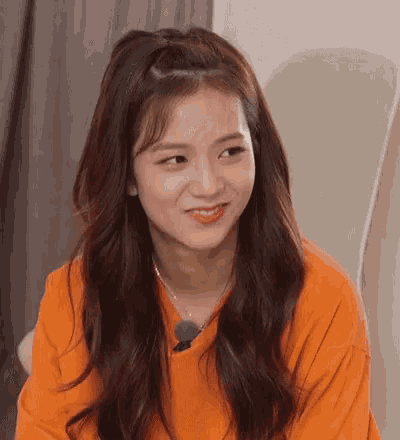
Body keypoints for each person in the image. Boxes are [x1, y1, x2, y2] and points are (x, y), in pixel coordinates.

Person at [15, 26, 381, 439]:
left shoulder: (323, 300)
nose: (209, 186)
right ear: (128, 175)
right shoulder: (73, 299)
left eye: (231, 152)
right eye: (175, 160)